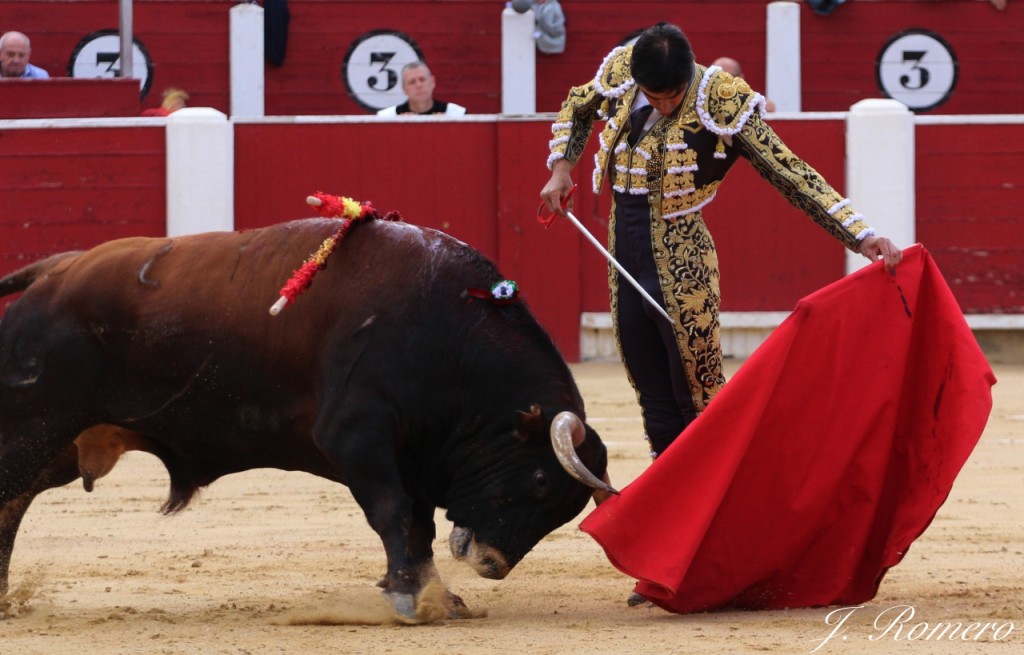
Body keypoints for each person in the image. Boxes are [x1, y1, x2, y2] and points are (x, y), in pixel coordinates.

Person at [540, 22, 901, 463]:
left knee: (698, 387)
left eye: (672, 96)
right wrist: (562, 167)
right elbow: (577, 106)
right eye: (654, 98)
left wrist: (860, 235)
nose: (665, 105)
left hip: (682, 255)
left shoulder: (721, 97)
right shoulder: (621, 72)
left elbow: (787, 171)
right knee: (647, 382)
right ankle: (670, 486)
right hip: (623, 251)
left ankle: (713, 488)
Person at [376, 61, 466, 116]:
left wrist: (447, 127)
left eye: (422, 80)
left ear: (432, 82)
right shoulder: (387, 118)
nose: (418, 85)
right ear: (404, 89)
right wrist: (399, 129)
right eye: (412, 82)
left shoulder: (456, 114)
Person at [711, 56, 776, 112]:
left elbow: (769, 107)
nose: (723, 81)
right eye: (718, 76)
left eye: (729, 76)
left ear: (740, 78)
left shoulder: (749, 99)